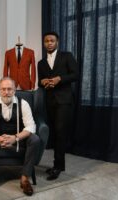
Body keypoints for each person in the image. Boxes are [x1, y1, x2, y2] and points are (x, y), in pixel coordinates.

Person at [0, 77, 39, 196]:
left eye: (10, 89)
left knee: (35, 139)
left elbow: (31, 127)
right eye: (3, 89)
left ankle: (25, 178)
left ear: (14, 91)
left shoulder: (23, 104)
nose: (6, 92)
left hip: (18, 139)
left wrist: (15, 138)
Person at [38, 31, 79, 180]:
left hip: (64, 101)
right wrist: (42, 82)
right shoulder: (41, 63)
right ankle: (59, 165)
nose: (49, 43)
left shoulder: (66, 56)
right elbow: (39, 81)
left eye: (52, 40)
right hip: (49, 102)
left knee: (61, 132)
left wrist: (59, 79)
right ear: (44, 43)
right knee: (55, 133)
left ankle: (57, 166)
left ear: (57, 42)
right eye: (46, 41)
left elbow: (76, 74)